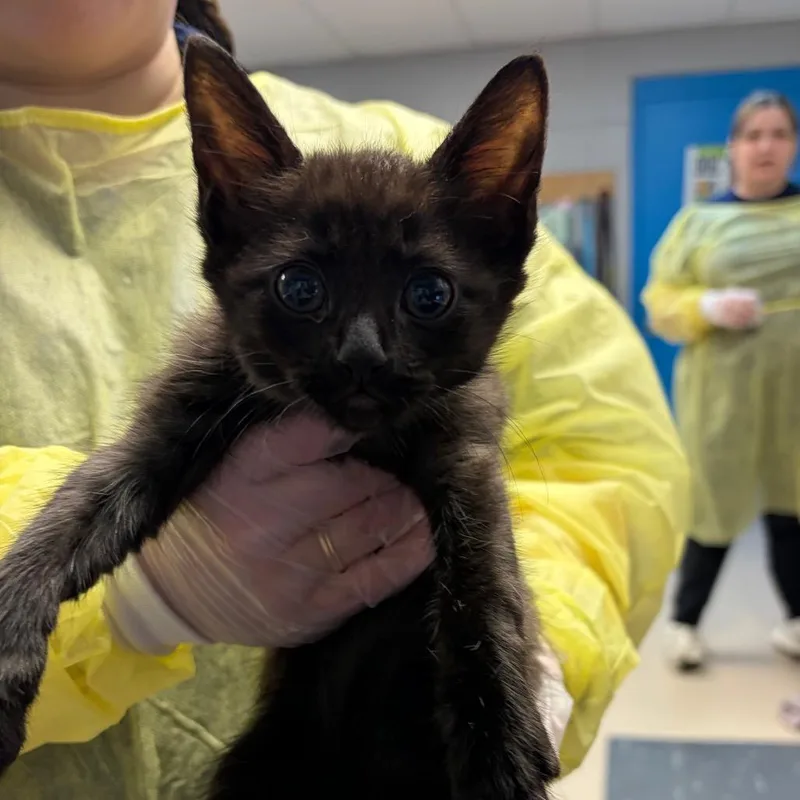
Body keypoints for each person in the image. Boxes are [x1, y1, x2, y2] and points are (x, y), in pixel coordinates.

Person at [0, 1, 690, 796]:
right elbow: (132, 471)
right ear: (226, 217)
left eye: (427, 297)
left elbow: (611, 462)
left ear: (503, 235)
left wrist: (519, 676)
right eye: (301, 290)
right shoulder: (226, 336)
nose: (365, 354)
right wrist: (135, 600)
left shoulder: (402, 161)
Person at [643, 90, 800, 671]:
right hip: (723, 396)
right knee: (712, 507)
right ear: (733, 147)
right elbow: (659, 302)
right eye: (753, 135)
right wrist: (705, 306)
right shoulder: (697, 223)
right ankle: (684, 622)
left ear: (793, 145)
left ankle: (795, 620)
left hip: (795, 398)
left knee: (793, 508)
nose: (765, 146)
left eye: (779, 133)